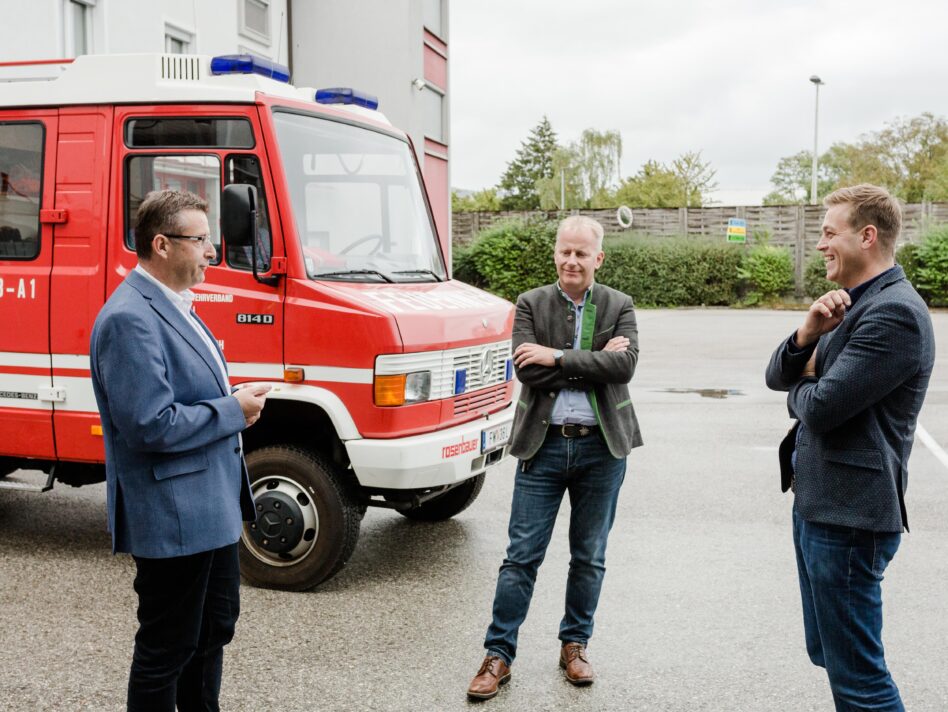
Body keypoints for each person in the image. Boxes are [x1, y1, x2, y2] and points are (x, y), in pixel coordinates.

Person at [90, 189, 271, 711]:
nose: (212, 252)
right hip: (172, 518)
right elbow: (150, 424)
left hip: (208, 510)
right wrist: (234, 410)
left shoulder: (178, 305)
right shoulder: (130, 317)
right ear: (162, 244)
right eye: (201, 241)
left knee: (212, 633)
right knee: (166, 649)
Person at [765, 184, 935, 711]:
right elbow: (777, 376)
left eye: (828, 232)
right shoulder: (848, 307)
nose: (820, 244)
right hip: (821, 505)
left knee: (860, 678)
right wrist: (808, 333)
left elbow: (818, 408)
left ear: (867, 236)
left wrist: (814, 381)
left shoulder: (895, 314)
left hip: (851, 519)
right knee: (831, 655)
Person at [467, 215, 642, 700]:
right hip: (541, 447)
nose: (572, 260)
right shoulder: (530, 303)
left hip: (601, 448)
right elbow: (528, 372)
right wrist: (592, 361)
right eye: (565, 251)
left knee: (589, 557)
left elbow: (624, 365)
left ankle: (575, 645)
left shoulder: (618, 304)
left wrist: (558, 357)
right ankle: (498, 654)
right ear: (556, 253)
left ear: (598, 259)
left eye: (582, 253)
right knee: (521, 557)